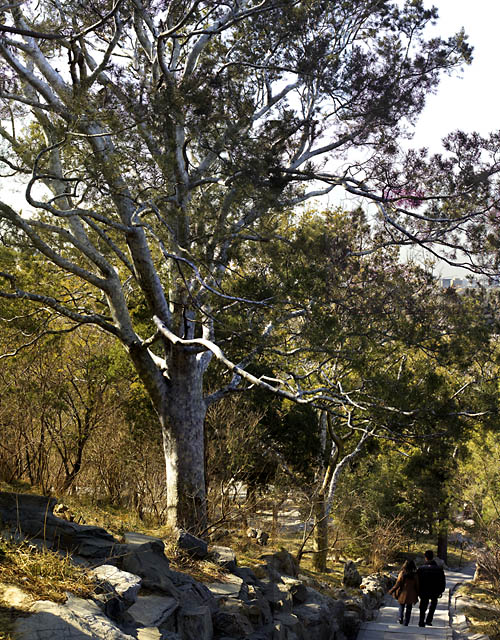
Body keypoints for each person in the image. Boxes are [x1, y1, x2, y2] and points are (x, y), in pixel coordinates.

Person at [417, 549, 446, 627]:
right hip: (435, 591)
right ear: (433, 557)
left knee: (423, 605)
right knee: (433, 604)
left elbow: (417, 581)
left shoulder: (421, 569)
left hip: (423, 590)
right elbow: (442, 581)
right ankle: (429, 620)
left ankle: (421, 621)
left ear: (425, 557)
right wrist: (441, 591)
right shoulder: (439, 569)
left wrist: (417, 590)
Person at [389, 559, 419, 626]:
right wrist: (418, 593)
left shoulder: (402, 573)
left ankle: (400, 618)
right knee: (409, 608)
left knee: (401, 606)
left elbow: (398, 584)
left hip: (402, 593)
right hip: (411, 594)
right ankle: (406, 622)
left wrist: (391, 591)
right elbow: (417, 585)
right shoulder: (415, 575)